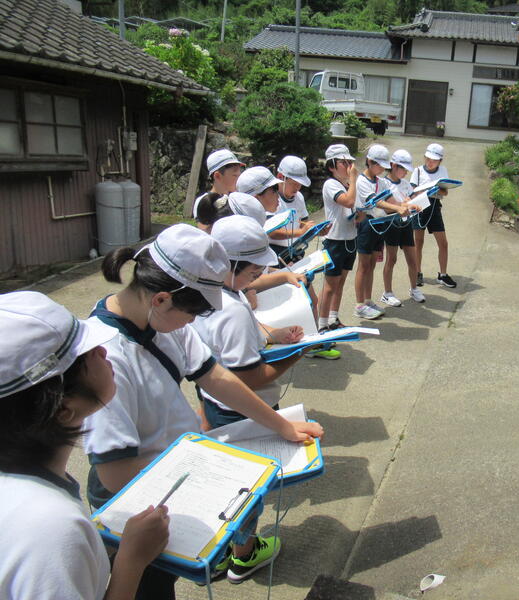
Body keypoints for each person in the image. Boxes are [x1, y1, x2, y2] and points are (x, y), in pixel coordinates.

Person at [82, 224, 323, 593]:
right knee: (149, 588)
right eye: (193, 312)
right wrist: (211, 482)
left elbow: (214, 376)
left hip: (177, 471)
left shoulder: (161, 320)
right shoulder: (105, 357)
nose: (193, 321)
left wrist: (281, 425)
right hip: (137, 500)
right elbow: (114, 472)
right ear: (161, 299)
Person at [0, 291, 170, 600]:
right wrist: (131, 560)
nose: (103, 352)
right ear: (63, 408)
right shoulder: (52, 529)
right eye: (88, 353)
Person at [192, 215, 303, 427]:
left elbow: (233, 335)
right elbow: (248, 378)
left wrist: (274, 333)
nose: (258, 277)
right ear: (230, 265)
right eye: (254, 273)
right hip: (244, 411)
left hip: (217, 400)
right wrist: (298, 352)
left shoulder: (211, 287)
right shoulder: (232, 310)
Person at [238, 166, 339, 359]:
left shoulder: (254, 222)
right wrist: (280, 276)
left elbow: (255, 274)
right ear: (256, 197)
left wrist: (283, 273)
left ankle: (309, 343)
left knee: (307, 301)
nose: (278, 194)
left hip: (276, 271)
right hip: (248, 305)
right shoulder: (244, 230)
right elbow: (243, 279)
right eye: (273, 190)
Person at [353, 144, 410, 320]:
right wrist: (398, 208)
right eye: (379, 165)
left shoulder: (381, 181)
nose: (382, 169)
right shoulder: (361, 181)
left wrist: (408, 205)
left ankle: (368, 300)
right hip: (365, 224)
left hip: (379, 224)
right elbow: (375, 202)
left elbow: (391, 201)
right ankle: (359, 305)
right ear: (370, 162)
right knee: (363, 265)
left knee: (371, 264)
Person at [318, 144, 361, 333]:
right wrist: (353, 179)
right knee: (329, 286)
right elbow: (348, 201)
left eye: (350, 161)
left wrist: (360, 215)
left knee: (340, 282)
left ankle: (333, 318)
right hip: (335, 240)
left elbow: (354, 208)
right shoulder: (331, 184)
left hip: (350, 238)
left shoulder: (347, 186)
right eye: (344, 162)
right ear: (331, 166)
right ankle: (321, 325)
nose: (349, 166)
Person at [381, 149, 425, 305]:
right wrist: (406, 203)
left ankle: (414, 289)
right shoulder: (384, 183)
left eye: (407, 169)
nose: (406, 172)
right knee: (391, 259)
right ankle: (387, 293)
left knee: (412, 259)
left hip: (406, 224)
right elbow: (390, 206)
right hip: (391, 224)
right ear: (393, 166)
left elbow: (414, 200)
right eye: (403, 168)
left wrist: (416, 203)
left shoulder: (406, 184)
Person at [410, 143, 457, 289]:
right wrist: (429, 190)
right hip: (419, 207)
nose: (430, 162)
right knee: (418, 242)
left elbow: (445, 192)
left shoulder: (443, 171)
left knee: (443, 243)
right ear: (424, 157)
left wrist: (432, 190)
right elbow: (413, 192)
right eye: (428, 159)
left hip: (435, 206)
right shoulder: (417, 171)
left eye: (434, 160)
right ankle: (417, 272)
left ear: (440, 161)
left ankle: (443, 275)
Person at [193, 149, 245, 232]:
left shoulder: (238, 197)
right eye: (235, 175)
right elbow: (205, 232)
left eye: (240, 174)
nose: (239, 179)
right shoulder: (204, 201)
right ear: (217, 176)